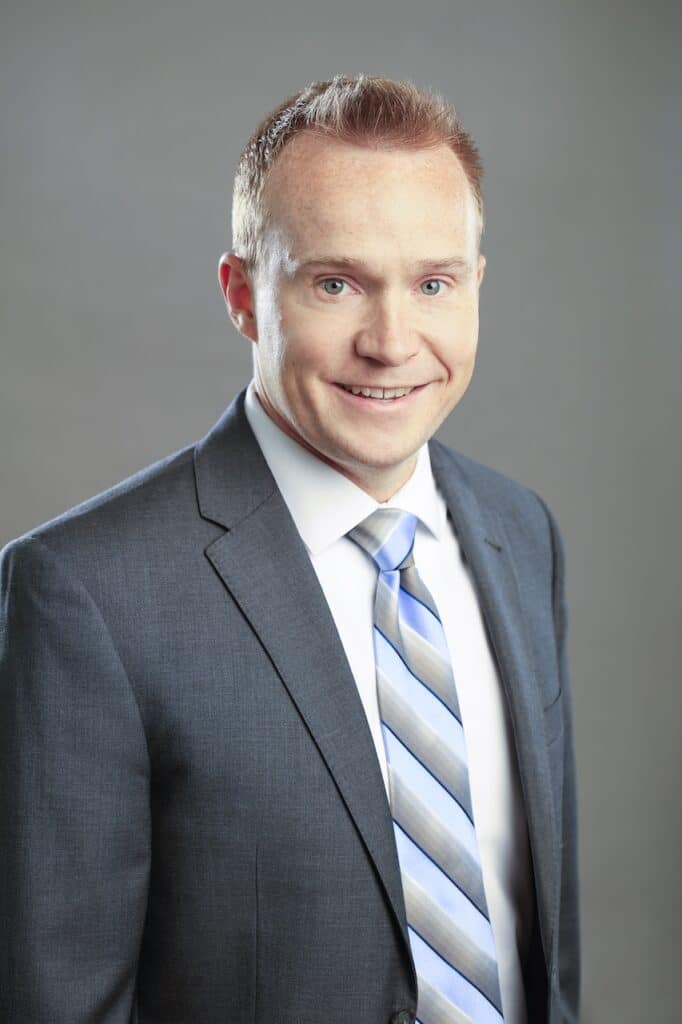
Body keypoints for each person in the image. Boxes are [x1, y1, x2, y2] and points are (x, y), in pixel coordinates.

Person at [0, 75, 579, 1024]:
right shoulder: (86, 595)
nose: (392, 343)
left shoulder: (522, 536)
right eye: (336, 283)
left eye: (432, 283)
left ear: (475, 288)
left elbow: (546, 960)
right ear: (242, 296)